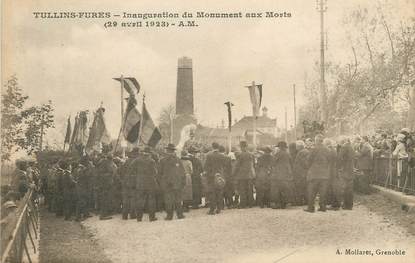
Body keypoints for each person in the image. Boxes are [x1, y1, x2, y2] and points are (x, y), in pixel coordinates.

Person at [304, 134, 332, 213]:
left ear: (316, 141)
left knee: (312, 192)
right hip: (324, 174)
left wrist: (309, 168)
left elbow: (308, 160)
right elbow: (330, 160)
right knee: (323, 192)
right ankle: (323, 207)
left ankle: (311, 208)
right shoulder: (327, 149)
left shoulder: (313, 149)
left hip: (314, 174)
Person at [159, 143, 186, 220]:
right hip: (177, 183)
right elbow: (182, 173)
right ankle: (179, 214)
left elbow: (159, 173)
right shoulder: (178, 160)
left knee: (168, 200)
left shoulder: (162, 160)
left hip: (166, 184)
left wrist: (161, 183)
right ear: (173, 151)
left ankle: (169, 216)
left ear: (166, 150)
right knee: (178, 199)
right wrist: (183, 182)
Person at [133, 147, 159, 222]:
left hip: (140, 183)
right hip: (150, 183)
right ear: (149, 153)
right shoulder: (152, 161)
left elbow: (131, 169)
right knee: (151, 200)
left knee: (140, 200)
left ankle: (139, 217)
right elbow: (155, 172)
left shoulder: (137, 160)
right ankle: (152, 217)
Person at [204, 142, 226, 215]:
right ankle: (219, 208)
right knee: (219, 192)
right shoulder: (222, 156)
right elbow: (224, 166)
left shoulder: (209, 155)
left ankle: (212, 209)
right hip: (220, 175)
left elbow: (206, 166)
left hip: (211, 176)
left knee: (212, 193)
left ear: (212, 147)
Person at [232, 141, 255, 209]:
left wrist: (233, 174)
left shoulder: (240, 155)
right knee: (250, 189)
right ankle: (250, 203)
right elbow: (253, 164)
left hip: (242, 175)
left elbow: (237, 166)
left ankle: (243, 204)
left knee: (242, 190)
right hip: (250, 174)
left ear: (241, 147)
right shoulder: (251, 154)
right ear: (246, 146)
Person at [270, 142, 293, 209]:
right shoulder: (288, 154)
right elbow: (291, 164)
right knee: (285, 188)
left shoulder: (278, 154)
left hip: (278, 174)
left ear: (280, 147)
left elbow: (273, 163)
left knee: (277, 189)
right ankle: (284, 203)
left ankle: (278, 204)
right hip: (286, 174)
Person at [96, 152, 116, 220]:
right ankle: (102, 215)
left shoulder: (107, 163)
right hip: (105, 184)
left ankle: (104, 214)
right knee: (105, 199)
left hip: (106, 183)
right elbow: (103, 174)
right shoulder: (106, 163)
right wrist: (110, 174)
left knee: (106, 199)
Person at [121, 148, 140, 220]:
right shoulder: (137, 162)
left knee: (125, 199)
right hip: (134, 182)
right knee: (133, 198)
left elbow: (120, 170)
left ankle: (124, 215)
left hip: (126, 181)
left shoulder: (127, 161)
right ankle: (132, 214)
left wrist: (124, 178)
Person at [337, 137, 355, 210]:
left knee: (344, 188)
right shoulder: (351, 147)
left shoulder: (344, 147)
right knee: (350, 188)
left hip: (344, 170)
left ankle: (345, 204)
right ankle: (350, 205)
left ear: (342, 141)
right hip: (350, 170)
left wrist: (339, 167)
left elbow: (340, 158)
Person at [293, 140, 309, 206]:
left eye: (296, 146)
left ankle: (299, 202)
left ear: (299, 146)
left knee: (300, 187)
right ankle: (306, 201)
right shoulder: (306, 151)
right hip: (304, 173)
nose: (296, 147)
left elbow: (303, 163)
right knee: (305, 187)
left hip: (300, 173)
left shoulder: (301, 152)